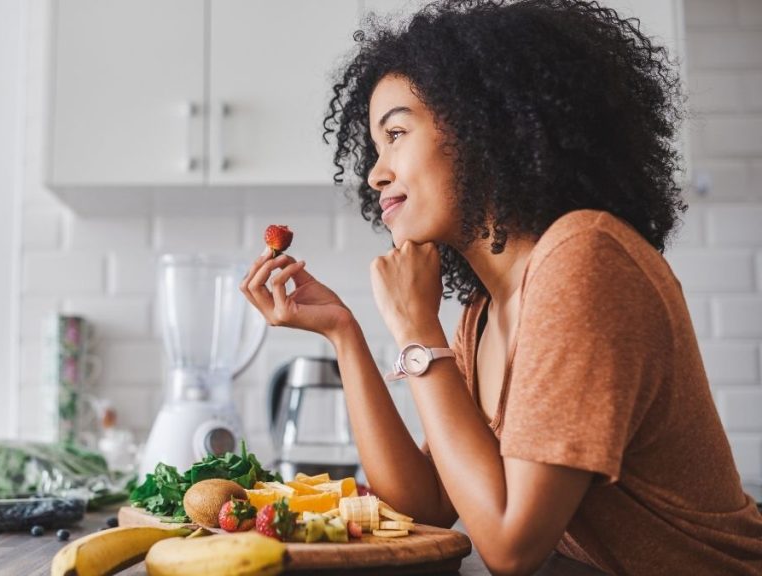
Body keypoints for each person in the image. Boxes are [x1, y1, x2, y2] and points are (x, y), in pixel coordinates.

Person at [239, 1, 762, 574]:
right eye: (375, 145)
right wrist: (344, 335)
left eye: (395, 133)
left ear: (482, 126)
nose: (375, 171)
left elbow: (511, 546)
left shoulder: (585, 256)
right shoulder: (482, 313)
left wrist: (417, 329)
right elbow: (425, 504)